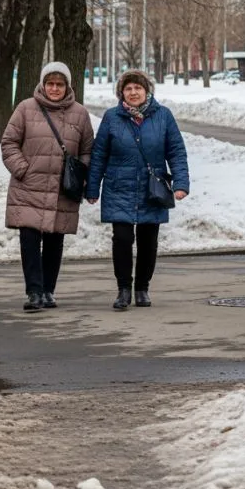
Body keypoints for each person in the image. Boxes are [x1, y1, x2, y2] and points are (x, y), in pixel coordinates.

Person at [86, 70, 190, 310]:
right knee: (122, 238)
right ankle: (123, 289)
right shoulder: (112, 117)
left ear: (147, 91)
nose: (133, 92)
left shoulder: (163, 116)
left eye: (138, 88)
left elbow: (176, 151)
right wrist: (93, 187)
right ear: (121, 92)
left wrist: (181, 184)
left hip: (152, 189)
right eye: (128, 88)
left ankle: (142, 288)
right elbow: (99, 154)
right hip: (118, 186)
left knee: (148, 240)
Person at [1, 62, 95, 312]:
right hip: (29, 187)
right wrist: (23, 169)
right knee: (29, 240)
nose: (54, 88)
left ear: (67, 86)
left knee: (55, 241)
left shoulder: (80, 114)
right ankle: (33, 292)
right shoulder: (25, 108)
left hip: (61, 189)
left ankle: (48, 290)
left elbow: (87, 150)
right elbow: (9, 143)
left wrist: (81, 177)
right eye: (50, 83)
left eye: (60, 84)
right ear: (43, 84)